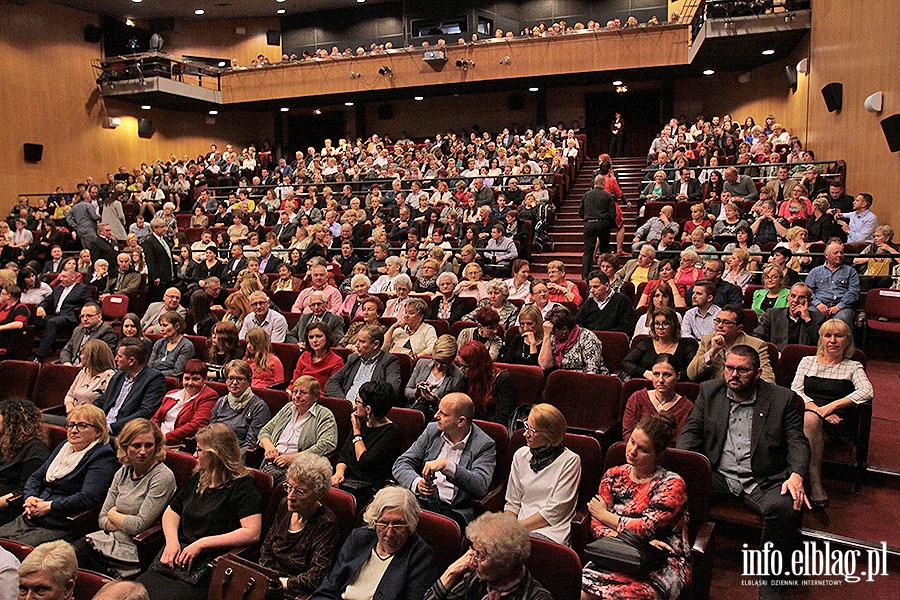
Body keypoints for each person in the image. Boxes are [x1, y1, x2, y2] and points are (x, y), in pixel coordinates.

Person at [678, 345, 810, 600]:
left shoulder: (781, 399)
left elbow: (797, 441)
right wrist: (687, 464)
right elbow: (691, 433)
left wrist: (796, 474)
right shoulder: (709, 392)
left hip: (763, 478)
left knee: (784, 506)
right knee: (679, 487)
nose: (733, 375)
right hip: (720, 474)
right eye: (729, 368)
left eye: (742, 370)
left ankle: (773, 578)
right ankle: (682, 558)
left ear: (758, 372)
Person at [135, 424, 263, 600]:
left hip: (208, 564)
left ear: (216, 455)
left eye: (200, 450)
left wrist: (202, 543)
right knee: (135, 593)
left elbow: (252, 532)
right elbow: (172, 512)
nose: (195, 455)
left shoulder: (242, 486)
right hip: (176, 554)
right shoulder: (198, 477)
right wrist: (172, 541)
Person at [583, 413, 691, 600]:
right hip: (614, 552)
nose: (632, 451)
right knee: (582, 593)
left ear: (658, 454)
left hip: (660, 559)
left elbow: (647, 527)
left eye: (643, 449)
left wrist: (605, 515)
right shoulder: (613, 475)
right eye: (632, 442)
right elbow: (596, 527)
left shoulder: (672, 484)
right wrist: (633, 542)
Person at [0, 404, 117, 546]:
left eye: (82, 426)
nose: (74, 430)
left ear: (98, 431)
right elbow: (36, 477)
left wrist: (50, 506)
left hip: (59, 523)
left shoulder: (102, 456)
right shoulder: (64, 446)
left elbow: (88, 497)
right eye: (71, 425)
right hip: (33, 513)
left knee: (13, 550)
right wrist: (30, 497)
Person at [74, 419, 177, 578]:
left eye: (148, 445)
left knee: (73, 562)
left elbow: (139, 525)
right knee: (64, 558)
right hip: (106, 539)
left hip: (132, 550)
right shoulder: (123, 471)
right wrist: (121, 522)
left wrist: (113, 515)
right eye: (136, 446)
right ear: (125, 447)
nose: (143, 451)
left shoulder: (163, 477)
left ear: (156, 447)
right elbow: (101, 518)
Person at [791, 319, 873, 509]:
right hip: (809, 414)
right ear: (821, 339)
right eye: (828, 335)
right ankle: (809, 481)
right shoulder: (807, 362)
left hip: (837, 423)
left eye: (839, 336)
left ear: (847, 341)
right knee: (809, 420)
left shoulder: (852, 366)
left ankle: (813, 481)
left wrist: (832, 407)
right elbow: (795, 391)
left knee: (809, 421)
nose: (833, 340)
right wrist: (819, 411)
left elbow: (867, 391)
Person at [311, 486, 440, 600]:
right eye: (384, 523)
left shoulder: (421, 556)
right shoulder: (359, 538)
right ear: (374, 521)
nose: (389, 533)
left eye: (398, 525)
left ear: (410, 525)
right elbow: (328, 588)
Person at [392, 393, 496, 527]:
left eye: (444, 414)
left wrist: (448, 466)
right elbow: (402, 463)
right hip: (419, 500)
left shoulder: (484, 444)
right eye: (438, 410)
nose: (436, 416)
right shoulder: (432, 430)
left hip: (452, 510)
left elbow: (480, 485)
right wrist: (417, 483)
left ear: (461, 421)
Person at [259, 452, 339, 597]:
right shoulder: (285, 505)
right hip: (268, 581)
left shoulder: (326, 523)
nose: (291, 496)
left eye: (300, 491)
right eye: (289, 487)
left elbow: (316, 576)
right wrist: (265, 575)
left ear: (318, 494)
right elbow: (267, 548)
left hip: (292, 591)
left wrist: (281, 583)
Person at [426, 512, 553, 600]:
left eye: (480, 555)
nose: (472, 560)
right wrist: (450, 573)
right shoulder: (476, 579)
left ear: (504, 562)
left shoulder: (537, 597)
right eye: (473, 550)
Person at [504, 403, 580, 545]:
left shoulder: (570, 461)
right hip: (518, 526)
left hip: (551, 530)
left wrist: (516, 528)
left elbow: (554, 512)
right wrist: (507, 527)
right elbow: (512, 502)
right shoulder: (521, 455)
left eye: (532, 430)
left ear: (549, 436)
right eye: (526, 426)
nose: (525, 434)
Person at [332, 381, 404, 503]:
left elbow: (365, 462)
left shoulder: (392, 433)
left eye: (358, 402)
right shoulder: (363, 423)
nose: (355, 405)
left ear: (368, 409)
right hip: (346, 481)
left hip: (369, 491)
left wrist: (356, 431)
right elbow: (344, 454)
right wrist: (339, 472)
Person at [94, 339, 167, 435]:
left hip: (125, 432)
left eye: (120, 356)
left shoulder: (154, 379)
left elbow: (145, 413)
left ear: (131, 361)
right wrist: (87, 412)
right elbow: (104, 399)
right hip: (102, 426)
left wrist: (111, 428)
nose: (115, 358)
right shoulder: (118, 376)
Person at [687, 305, 775, 383]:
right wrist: (712, 352)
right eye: (717, 321)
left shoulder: (756, 345)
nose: (720, 326)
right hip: (716, 393)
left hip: (742, 391)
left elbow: (768, 380)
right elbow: (691, 374)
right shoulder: (707, 341)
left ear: (739, 328)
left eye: (726, 322)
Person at [622, 354, 694, 442]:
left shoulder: (688, 408)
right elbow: (628, 433)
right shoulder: (637, 398)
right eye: (656, 374)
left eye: (667, 375)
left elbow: (685, 442)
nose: (660, 380)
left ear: (678, 376)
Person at [0, 398, 50, 521]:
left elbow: (24, 491)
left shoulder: (35, 450)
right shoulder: (4, 442)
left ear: (11, 422)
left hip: (8, 508)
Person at [209, 359, 272, 455]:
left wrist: (229, 459)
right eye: (231, 378)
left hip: (235, 456)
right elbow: (210, 431)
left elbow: (250, 444)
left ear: (249, 381)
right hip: (213, 450)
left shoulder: (259, 407)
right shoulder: (221, 402)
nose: (234, 382)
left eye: (240, 379)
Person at [151, 359, 218, 446]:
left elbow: (197, 425)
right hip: (157, 440)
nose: (190, 383)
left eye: (195, 379)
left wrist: (165, 438)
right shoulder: (171, 394)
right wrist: (153, 435)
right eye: (187, 378)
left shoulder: (209, 396)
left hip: (180, 443)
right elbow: (156, 418)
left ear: (205, 379)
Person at [34, 268, 94, 362]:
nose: (61, 279)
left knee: (52, 322)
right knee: (38, 319)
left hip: (70, 317)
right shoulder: (58, 288)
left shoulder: (82, 289)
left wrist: (82, 312)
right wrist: (40, 307)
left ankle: (40, 356)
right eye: (60, 276)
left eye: (64, 276)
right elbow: (47, 301)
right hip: (55, 315)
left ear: (73, 277)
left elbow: (89, 303)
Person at [326, 325, 401, 399]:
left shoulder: (389, 361)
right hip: (346, 406)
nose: (357, 345)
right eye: (357, 340)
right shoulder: (353, 358)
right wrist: (345, 402)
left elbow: (391, 391)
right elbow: (331, 382)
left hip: (369, 408)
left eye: (362, 342)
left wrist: (362, 405)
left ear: (375, 344)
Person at [622, 307, 696, 380]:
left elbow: (693, 371)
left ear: (674, 325)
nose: (660, 327)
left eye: (665, 323)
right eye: (657, 324)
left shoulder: (686, 345)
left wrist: (671, 376)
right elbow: (626, 363)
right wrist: (645, 373)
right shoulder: (646, 343)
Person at [405, 335, 467, 419]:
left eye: (444, 363)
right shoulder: (422, 363)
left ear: (452, 359)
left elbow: (454, 408)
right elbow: (407, 390)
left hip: (437, 416)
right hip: (412, 408)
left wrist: (436, 401)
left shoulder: (458, 377)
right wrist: (416, 392)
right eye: (436, 361)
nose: (438, 366)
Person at [805, 240, 860, 327]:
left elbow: (853, 292)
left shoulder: (851, 271)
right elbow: (807, 291)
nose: (839, 255)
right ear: (826, 255)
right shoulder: (815, 271)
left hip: (842, 307)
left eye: (841, 253)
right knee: (812, 314)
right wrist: (818, 304)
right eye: (836, 253)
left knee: (843, 317)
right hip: (819, 306)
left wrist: (839, 306)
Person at [538, 306, 607, 374]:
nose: (552, 335)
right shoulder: (552, 337)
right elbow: (544, 366)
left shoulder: (587, 337)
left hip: (587, 380)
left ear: (564, 330)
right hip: (562, 380)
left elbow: (591, 372)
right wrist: (546, 335)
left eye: (553, 331)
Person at [148, 311, 195, 377]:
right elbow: (149, 366)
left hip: (169, 380)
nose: (161, 329)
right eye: (161, 325)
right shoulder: (159, 343)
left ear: (177, 326)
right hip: (153, 378)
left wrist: (155, 375)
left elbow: (177, 371)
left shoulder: (186, 346)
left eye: (165, 325)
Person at [143, 218, 175, 304]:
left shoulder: (165, 239)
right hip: (158, 277)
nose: (165, 229)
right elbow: (150, 260)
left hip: (168, 274)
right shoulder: (149, 241)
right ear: (154, 228)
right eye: (161, 227)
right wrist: (154, 277)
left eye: (165, 226)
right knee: (158, 300)